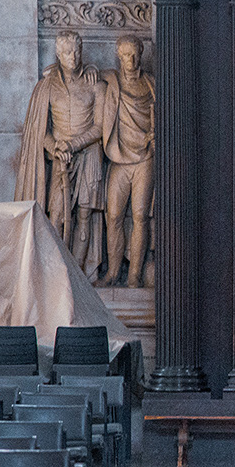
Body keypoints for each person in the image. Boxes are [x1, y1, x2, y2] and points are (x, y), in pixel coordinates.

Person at [17, 30, 106, 274]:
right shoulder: (46, 87)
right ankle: (54, 272)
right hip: (61, 157)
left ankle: (77, 274)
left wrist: (73, 145)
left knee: (85, 214)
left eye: (77, 51)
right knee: (56, 214)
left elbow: (99, 127)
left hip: (88, 155)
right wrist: (55, 147)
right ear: (58, 54)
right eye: (67, 52)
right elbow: (40, 129)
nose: (73, 57)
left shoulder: (96, 85)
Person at [100, 35, 155, 288]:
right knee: (113, 216)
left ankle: (133, 275)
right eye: (125, 55)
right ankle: (113, 272)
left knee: (141, 216)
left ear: (141, 55)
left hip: (145, 158)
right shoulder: (111, 81)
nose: (130, 60)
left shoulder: (152, 85)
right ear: (118, 57)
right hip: (119, 157)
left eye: (134, 55)